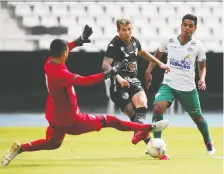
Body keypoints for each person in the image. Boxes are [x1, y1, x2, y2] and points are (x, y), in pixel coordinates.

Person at [2, 25, 169, 166]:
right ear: (64, 54)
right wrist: (110, 73)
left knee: (54, 143)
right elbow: (85, 81)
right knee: (111, 121)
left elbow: (63, 47)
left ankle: (21, 148)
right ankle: (148, 128)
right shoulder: (61, 73)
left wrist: (77, 41)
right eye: (67, 50)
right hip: (73, 118)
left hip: (54, 116)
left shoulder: (49, 62)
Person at [145, 14, 215, 159]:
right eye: (185, 25)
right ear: (181, 25)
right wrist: (148, 71)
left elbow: (202, 67)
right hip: (169, 84)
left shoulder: (198, 46)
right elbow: (155, 56)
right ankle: (157, 143)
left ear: (195, 28)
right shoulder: (169, 41)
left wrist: (202, 79)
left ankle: (208, 140)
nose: (187, 28)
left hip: (188, 88)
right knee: (158, 107)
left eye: (190, 26)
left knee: (198, 118)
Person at [102, 17, 170, 145]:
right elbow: (105, 65)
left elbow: (142, 52)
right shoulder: (114, 45)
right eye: (123, 30)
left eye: (129, 29)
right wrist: (119, 77)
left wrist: (160, 63)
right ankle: (150, 143)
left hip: (133, 80)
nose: (127, 32)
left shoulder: (134, 41)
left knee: (143, 104)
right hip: (118, 84)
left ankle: (146, 142)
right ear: (118, 30)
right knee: (133, 115)